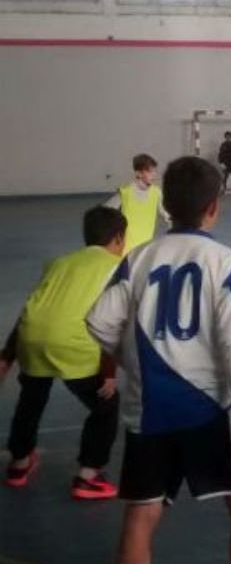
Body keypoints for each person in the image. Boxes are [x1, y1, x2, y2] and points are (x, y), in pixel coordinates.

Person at [87, 156, 231, 564]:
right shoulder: (228, 264)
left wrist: (132, 360)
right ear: (214, 207)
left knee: (142, 510)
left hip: (149, 410)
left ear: (166, 205)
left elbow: (99, 321)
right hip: (209, 407)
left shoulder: (137, 259)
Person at [0, 206, 126, 499]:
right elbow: (113, 322)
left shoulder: (59, 263)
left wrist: (7, 355)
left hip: (31, 337)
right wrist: (108, 373)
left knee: (31, 399)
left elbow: (32, 306)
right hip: (73, 343)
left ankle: (19, 465)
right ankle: (88, 476)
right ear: (119, 238)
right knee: (105, 405)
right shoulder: (117, 267)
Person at [105, 154, 170, 254]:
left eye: (154, 171)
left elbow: (167, 215)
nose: (154, 175)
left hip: (144, 249)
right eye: (149, 171)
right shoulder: (126, 192)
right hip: (125, 251)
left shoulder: (156, 193)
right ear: (138, 173)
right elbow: (105, 212)